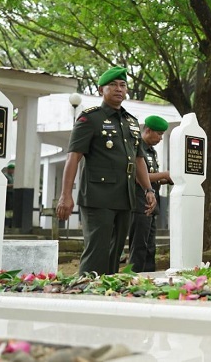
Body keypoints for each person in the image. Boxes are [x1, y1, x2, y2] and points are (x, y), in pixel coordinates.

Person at [56, 66, 157, 276]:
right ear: (101, 89)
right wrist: (65, 195)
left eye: (122, 85)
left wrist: (148, 189)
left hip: (125, 196)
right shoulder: (90, 118)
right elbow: (73, 157)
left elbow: (139, 159)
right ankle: (86, 290)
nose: (119, 89)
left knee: (115, 253)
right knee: (97, 252)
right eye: (113, 85)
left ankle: (108, 292)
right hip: (98, 197)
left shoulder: (131, 122)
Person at [128, 115, 173, 273]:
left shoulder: (151, 151)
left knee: (150, 246)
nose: (161, 138)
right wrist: (164, 174)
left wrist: (165, 179)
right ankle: (134, 276)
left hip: (152, 204)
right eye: (159, 134)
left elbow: (151, 178)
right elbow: (138, 177)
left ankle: (148, 275)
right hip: (139, 203)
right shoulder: (136, 148)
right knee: (139, 246)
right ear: (148, 130)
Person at [3, 162, 15, 228]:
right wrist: (11, 185)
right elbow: (4, 184)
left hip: (12, 193)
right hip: (7, 193)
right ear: (8, 169)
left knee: (11, 208)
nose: (13, 171)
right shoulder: (5, 176)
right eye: (11, 169)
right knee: (8, 207)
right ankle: (6, 223)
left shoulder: (13, 177)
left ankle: (11, 222)